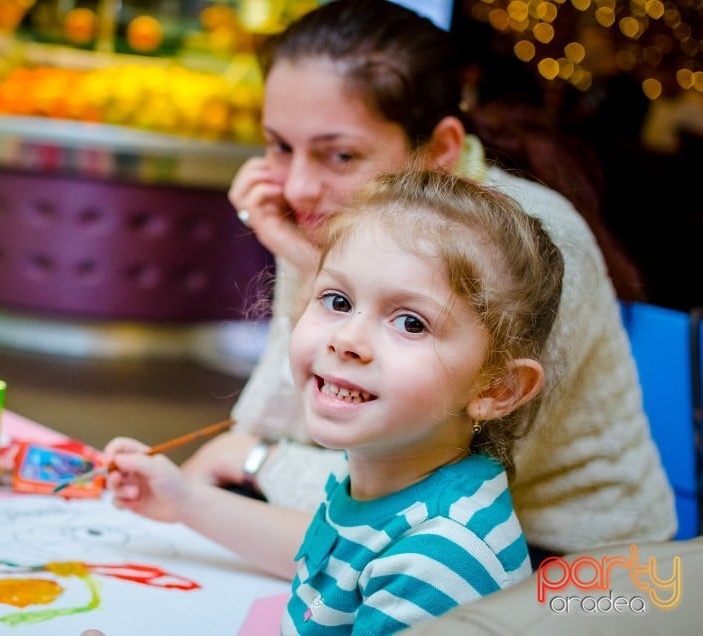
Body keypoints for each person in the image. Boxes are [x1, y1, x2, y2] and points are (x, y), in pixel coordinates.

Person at [181, 0, 676, 559]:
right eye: (279, 146)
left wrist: (252, 460)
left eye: (339, 154)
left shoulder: (529, 248)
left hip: (571, 569)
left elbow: (426, 487)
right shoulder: (345, 218)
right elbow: (282, 419)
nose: (295, 188)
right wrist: (303, 264)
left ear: (440, 148)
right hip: (402, 527)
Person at [103, 168, 564, 633]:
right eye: (338, 301)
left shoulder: (439, 562)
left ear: (496, 389)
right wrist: (183, 502)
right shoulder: (393, 476)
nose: (347, 339)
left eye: (410, 323)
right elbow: (327, 554)